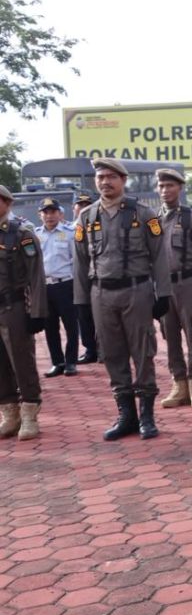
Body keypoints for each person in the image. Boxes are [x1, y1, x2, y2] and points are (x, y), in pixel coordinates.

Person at [73, 158, 171, 440]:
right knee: (111, 353)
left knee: (143, 352)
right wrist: (81, 301)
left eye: (111, 177)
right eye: (100, 177)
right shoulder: (86, 217)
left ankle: (146, 416)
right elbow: (80, 262)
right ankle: (126, 415)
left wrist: (163, 294)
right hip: (101, 293)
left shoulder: (144, 213)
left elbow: (160, 257)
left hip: (136, 291)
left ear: (123, 180)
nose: (105, 182)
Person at [157, 168, 192, 409]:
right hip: (164, 286)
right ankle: (178, 384)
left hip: (188, 284)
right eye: (161, 186)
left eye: (170, 185)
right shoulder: (153, 220)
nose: (165, 190)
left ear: (179, 188)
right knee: (170, 337)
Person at [0, 186, 49, 441]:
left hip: (15, 307)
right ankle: (10, 412)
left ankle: (30, 411)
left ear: (7, 203)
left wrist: (37, 312)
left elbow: (36, 276)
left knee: (21, 361)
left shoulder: (21, 234)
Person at [35, 198, 80, 377]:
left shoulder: (69, 233)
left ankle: (71, 362)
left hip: (65, 285)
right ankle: (57, 362)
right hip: (45, 286)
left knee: (71, 325)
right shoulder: (35, 235)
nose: (49, 216)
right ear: (40, 215)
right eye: (45, 212)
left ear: (60, 213)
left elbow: (76, 261)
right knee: (50, 326)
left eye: (53, 212)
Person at [72, 191, 100, 364]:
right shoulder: (68, 229)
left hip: (96, 276)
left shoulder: (98, 225)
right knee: (83, 316)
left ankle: (103, 348)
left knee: (100, 316)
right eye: (80, 205)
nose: (83, 208)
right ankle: (90, 349)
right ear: (73, 208)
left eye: (87, 204)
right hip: (73, 279)